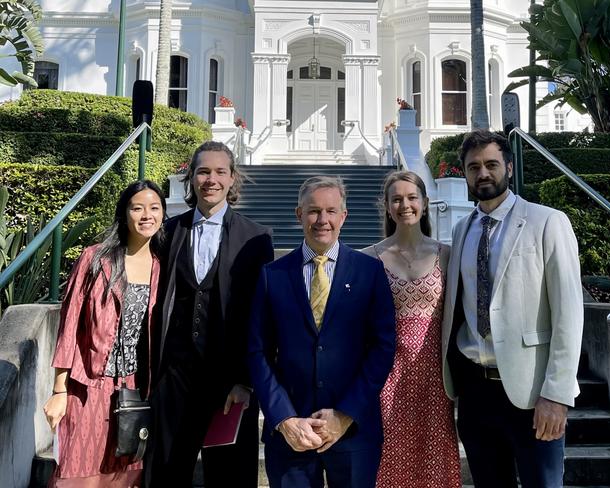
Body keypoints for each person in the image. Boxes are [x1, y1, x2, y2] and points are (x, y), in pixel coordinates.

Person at [441, 130, 583, 488]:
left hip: (532, 393)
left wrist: (557, 393)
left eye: (491, 164)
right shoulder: (461, 230)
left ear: (508, 166)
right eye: (474, 167)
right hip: (475, 392)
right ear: (465, 173)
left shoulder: (547, 222)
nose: (483, 173)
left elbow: (569, 314)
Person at [248, 175, 396, 488]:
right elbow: (257, 352)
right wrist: (284, 419)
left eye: (331, 211)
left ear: (344, 216)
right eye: (314, 211)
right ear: (299, 214)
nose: (322, 220)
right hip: (292, 433)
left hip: (353, 429)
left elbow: (383, 347)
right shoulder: (271, 275)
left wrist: (345, 415)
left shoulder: (369, 271)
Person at [146, 141, 274, 487]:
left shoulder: (257, 238)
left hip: (230, 383)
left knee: (229, 479)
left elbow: (261, 316)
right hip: (173, 377)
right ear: (191, 178)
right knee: (166, 474)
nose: (211, 179)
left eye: (220, 172)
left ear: (233, 179)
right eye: (203, 171)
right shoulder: (168, 231)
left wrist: (246, 381)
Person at [43, 180, 166, 487]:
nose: (146, 215)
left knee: (125, 474)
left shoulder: (162, 269)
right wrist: (60, 391)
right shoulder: (96, 259)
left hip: (136, 389)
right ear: (124, 214)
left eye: (154, 208)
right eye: (137, 208)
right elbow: (70, 326)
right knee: (78, 471)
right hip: (88, 387)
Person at [363, 171, 462, 488]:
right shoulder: (369, 258)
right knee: (387, 459)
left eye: (411, 197)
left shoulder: (447, 255)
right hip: (387, 377)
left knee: (433, 461)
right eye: (396, 199)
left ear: (425, 202)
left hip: (435, 378)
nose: (405, 205)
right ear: (387, 207)